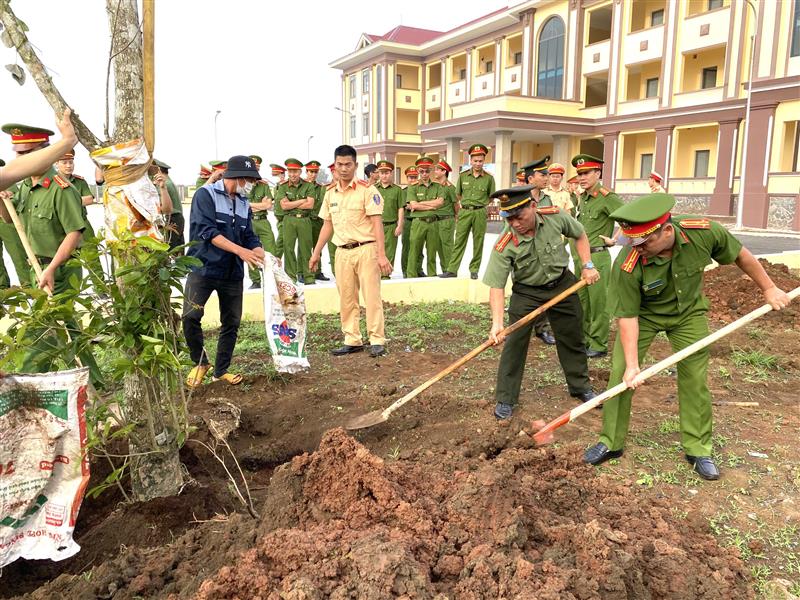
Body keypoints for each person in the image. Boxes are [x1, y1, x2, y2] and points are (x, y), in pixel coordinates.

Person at [583, 194, 791, 480]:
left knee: (694, 377)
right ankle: (611, 442)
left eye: (644, 242)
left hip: (689, 314)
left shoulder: (704, 232)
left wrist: (769, 288)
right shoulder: (628, 264)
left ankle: (698, 448)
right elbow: (627, 317)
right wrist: (633, 366)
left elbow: (741, 256)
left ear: (667, 231)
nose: (637, 248)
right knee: (621, 373)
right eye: (633, 242)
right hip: (644, 316)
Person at [484, 185, 599, 421]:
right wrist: (497, 323)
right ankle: (506, 398)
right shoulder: (505, 243)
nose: (514, 223)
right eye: (509, 218)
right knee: (514, 343)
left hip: (562, 283)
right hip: (527, 292)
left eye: (519, 217)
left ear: (533, 207)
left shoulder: (556, 217)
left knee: (572, 337)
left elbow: (580, 234)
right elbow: (496, 285)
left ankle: (580, 387)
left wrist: (587, 265)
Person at [0, 121, 102, 387]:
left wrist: (53, 267)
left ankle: (26, 384)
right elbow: (12, 222)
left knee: (42, 328)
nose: (19, 160)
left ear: (46, 151)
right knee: (67, 329)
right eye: (18, 155)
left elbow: (75, 233)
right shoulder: (22, 188)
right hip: (37, 269)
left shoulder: (61, 188)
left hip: (61, 269)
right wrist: (2, 200)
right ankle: (92, 384)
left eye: (26, 154)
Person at [183, 155, 265, 388]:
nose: (251, 184)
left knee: (231, 321)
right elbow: (206, 231)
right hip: (204, 268)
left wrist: (258, 250)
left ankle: (221, 370)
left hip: (232, 271)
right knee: (190, 316)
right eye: (249, 179)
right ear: (237, 177)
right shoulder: (205, 195)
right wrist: (241, 251)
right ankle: (200, 362)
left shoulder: (243, 201)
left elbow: (248, 234)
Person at [310, 145, 392, 358]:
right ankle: (352, 339)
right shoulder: (330, 194)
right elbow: (327, 225)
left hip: (366, 249)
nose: (344, 169)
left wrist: (382, 255)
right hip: (342, 252)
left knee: (371, 296)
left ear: (355, 166)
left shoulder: (367, 190)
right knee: (346, 298)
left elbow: (377, 224)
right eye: (340, 164)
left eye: (348, 164)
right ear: (334, 166)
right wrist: (316, 252)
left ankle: (376, 339)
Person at [571, 154, 623, 359]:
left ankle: (599, 343)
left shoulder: (606, 197)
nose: (582, 178)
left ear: (597, 173)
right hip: (579, 258)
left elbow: (629, 217)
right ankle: (584, 339)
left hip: (597, 257)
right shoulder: (582, 197)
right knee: (582, 301)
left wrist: (616, 239)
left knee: (598, 303)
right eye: (579, 174)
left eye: (586, 173)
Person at [519, 156, 558, 346]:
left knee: (543, 288)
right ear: (530, 178)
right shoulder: (518, 198)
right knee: (523, 289)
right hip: (524, 252)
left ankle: (542, 328)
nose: (546, 178)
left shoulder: (546, 198)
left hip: (543, 252)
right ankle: (520, 327)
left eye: (547, 174)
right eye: (542, 174)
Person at [442, 143, 496, 279]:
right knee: (459, 240)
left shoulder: (489, 178)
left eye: (481, 161)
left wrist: (480, 205)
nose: (478, 163)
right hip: (465, 211)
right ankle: (452, 269)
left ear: (484, 161)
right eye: (475, 161)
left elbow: (491, 197)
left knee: (478, 242)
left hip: (479, 212)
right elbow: (458, 195)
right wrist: (466, 205)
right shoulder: (463, 176)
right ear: (470, 161)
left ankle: (474, 269)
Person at [55, 149, 107, 285]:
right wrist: (76, 200)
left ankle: (101, 289)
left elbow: (89, 199)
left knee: (92, 256)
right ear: (56, 164)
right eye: (64, 162)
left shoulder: (79, 181)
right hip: (61, 226)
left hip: (82, 223)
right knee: (66, 259)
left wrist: (64, 202)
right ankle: (70, 289)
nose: (68, 165)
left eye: (71, 162)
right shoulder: (53, 182)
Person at [275, 158, 315, 284]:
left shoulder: (308, 185)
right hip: (289, 220)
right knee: (288, 249)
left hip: (304, 220)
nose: (292, 174)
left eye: (295, 171)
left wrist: (291, 203)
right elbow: (284, 206)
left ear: (300, 171)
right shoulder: (282, 187)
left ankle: (309, 277)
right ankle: (291, 278)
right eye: (290, 171)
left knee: (306, 249)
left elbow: (310, 205)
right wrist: (302, 201)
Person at [406, 156, 444, 278]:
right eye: (421, 171)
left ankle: (432, 276)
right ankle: (411, 276)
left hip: (433, 223)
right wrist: (431, 206)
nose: (424, 174)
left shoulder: (438, 186)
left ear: (431, 171)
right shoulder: (413, 186)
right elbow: (413, 205)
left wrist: (421, 204)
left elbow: (440, 203)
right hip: (418, 223)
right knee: (414, 252)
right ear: (418, 171)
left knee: (432, 252)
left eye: (427, 171)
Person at [246, 155, 277, 288]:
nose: (255, 170)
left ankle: (272, 278)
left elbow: (268, 205)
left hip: (263, 222)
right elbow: (242, 205)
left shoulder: (263, 185)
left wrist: (251, 205)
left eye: (257, 168)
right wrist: (260, 205)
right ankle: (255, 280)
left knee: (271, 250)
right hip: (249, 222)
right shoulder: (244, 185)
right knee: (251, 251)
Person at [375, 160, 404, 277]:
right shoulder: (373, 189)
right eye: (382, 173)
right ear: (378, 174)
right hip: (376, 226)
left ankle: (386, 276)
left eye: (386, 173)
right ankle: (376, 275)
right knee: (375, 252)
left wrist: (400, 225)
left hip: (391, 226)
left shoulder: (397, 190)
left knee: (390, 253)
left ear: (391, 173)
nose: (384, 175)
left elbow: (400, 208)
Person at [305, 160, 332, 281]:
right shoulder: (302, 186)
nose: (313, 174)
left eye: (315, 172)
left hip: (317, 221)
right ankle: (304, 272)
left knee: (318, 247)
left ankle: (318, 271)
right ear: (306, 172)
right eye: (311, 171)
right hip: (306, 220)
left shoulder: (321, 188)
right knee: (305, 247)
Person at [151, 159, 184, 251]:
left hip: (170, 219)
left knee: (169, 249)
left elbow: (161, 207)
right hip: (177, 218)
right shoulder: (169, 182)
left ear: (158, 170)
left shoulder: (162, 184)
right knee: (178, 249)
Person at [432, 159, 456, 274]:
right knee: (439, 247)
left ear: (444, 171)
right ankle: (444, 270)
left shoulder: (449, 187)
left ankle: (450, 270)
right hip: (436, 220)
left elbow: (456, 204)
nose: (435, 172)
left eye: (437, 170)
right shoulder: (437, 186)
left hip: (447, 220)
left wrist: (456, 219)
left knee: (447, 247)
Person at [400, 165, 418, 278]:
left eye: (415, 177)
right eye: (410, 177)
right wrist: (415, 205)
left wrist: (416, 205)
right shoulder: (404, 191)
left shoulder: (420, 188)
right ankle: (405, 270)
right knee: (407, 247)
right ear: (407, 178)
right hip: (408, 221)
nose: (413, 180)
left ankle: (417, 269)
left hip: (419, 220)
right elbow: (404, 206)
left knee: (418, 247)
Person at [270, 163, 287, 259]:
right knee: (282, 241)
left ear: (282, 175)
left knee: (281, 242)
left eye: (276, 175)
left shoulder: (285, 186)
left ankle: (275, 260)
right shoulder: (276, 186)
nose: (275, 177)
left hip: (285, 218)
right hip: (279, 218)